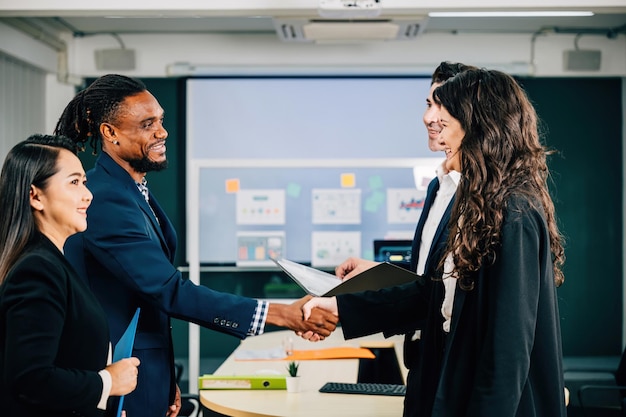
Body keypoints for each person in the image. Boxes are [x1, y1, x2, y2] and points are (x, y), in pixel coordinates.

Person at [54, 74, 338, 417]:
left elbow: (144, 301)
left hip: (147, 371)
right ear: (110, 133)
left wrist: (164, 377)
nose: (162, 133)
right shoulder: (104, 197)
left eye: (161, 120)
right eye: (147, 124)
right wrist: (283, 314)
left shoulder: (131, 191)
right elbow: (167, 290)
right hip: (120, 378)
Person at [304, 68, 567, 416]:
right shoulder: (476, 204)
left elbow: (508, 347)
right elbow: (432, 294)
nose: (433, 126)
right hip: (447, 374)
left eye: (444, 120)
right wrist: (340, 307)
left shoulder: (513, 210)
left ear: (480, 126)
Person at [324, 61, 475, 416]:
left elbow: (441, 292)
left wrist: (341, 309)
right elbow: (429, 277)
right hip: (421, 362)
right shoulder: (439, 186)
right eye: (428, 103)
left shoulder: (484, 199)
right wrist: (375, 269)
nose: (429, 117)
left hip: (455, 365)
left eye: (442, 105)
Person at [0, 134, 140, 417]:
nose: (88, 195)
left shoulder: (52, 262)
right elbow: (31, 380)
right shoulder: (37, 270)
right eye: (74, 182)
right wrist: (109, 382)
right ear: (35, 196)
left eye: (84, 183)